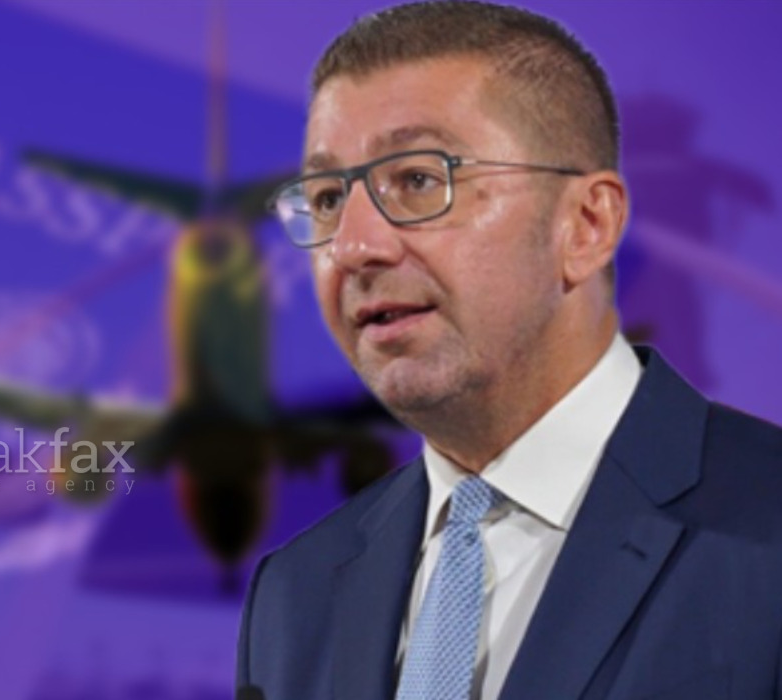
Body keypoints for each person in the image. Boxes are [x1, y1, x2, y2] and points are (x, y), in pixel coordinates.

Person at [237, 2, 782, 699]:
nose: (353, 246)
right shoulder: (295, 593)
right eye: (324, 199)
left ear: (586, 225)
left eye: (418, 180)